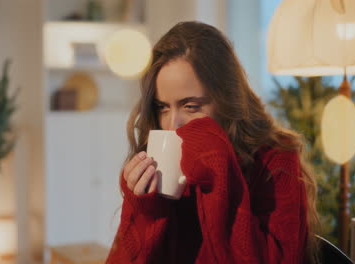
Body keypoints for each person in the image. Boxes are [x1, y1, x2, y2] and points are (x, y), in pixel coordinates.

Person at [106, 21, 320, 264]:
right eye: (163, 107)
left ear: (227, 101)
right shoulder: (162, 163)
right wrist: (145, 212)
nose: (173, 124)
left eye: (191, 106)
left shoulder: (276, 159)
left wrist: (220, 174)